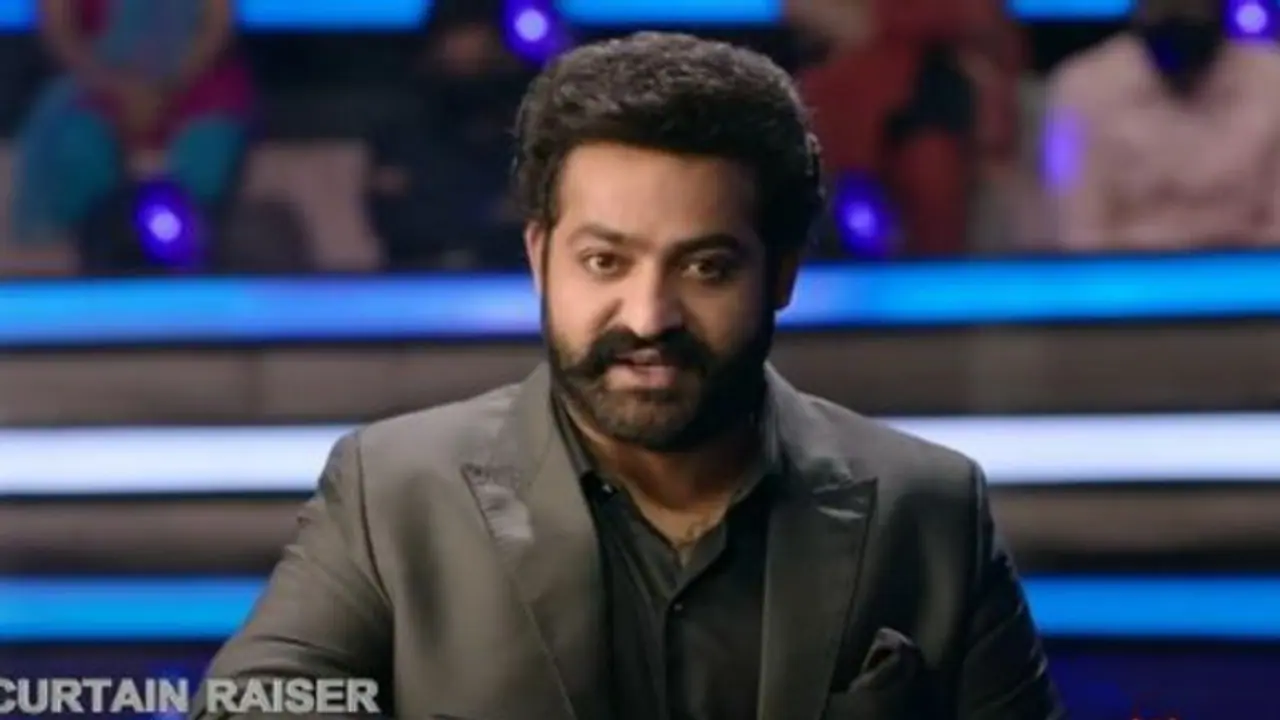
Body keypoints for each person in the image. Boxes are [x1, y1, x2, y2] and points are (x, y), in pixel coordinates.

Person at [193, 33, 1064, 720]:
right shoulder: (392, 494)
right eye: (605, 262)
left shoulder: (931, 511)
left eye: (706, 267)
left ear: (782, 274)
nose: (648, 317)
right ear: (540, 258)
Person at [11, 0, 252, 264]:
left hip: (191, 81)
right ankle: (97, 254)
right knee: (78, 146)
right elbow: (58, 30)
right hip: (96, 82)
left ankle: (190, 256)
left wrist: (167, 86)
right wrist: (117, 88)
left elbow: (217, 24)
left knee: (209, 152)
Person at [1045, 0, 1280, 251]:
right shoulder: (1080, 88)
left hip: (1250, 268)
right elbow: (1077, 228)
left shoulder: (1272, 81)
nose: (1177, 13)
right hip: (1124, 269)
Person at [793, 0, 1023, 256]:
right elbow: (803, 8)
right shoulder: (830, 85)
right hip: (853, 87)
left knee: (930, 162)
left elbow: (978, 17)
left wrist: (879, 22)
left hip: (943, 90)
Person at [363, 1, 532, 271]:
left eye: (477, 35)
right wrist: (482, 216)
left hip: (508, 277)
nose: (466, 48)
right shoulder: (401, 130)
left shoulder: (527, 127)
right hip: (418, 276)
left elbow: (525, 219)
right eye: (456, 35)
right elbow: (395, 222)